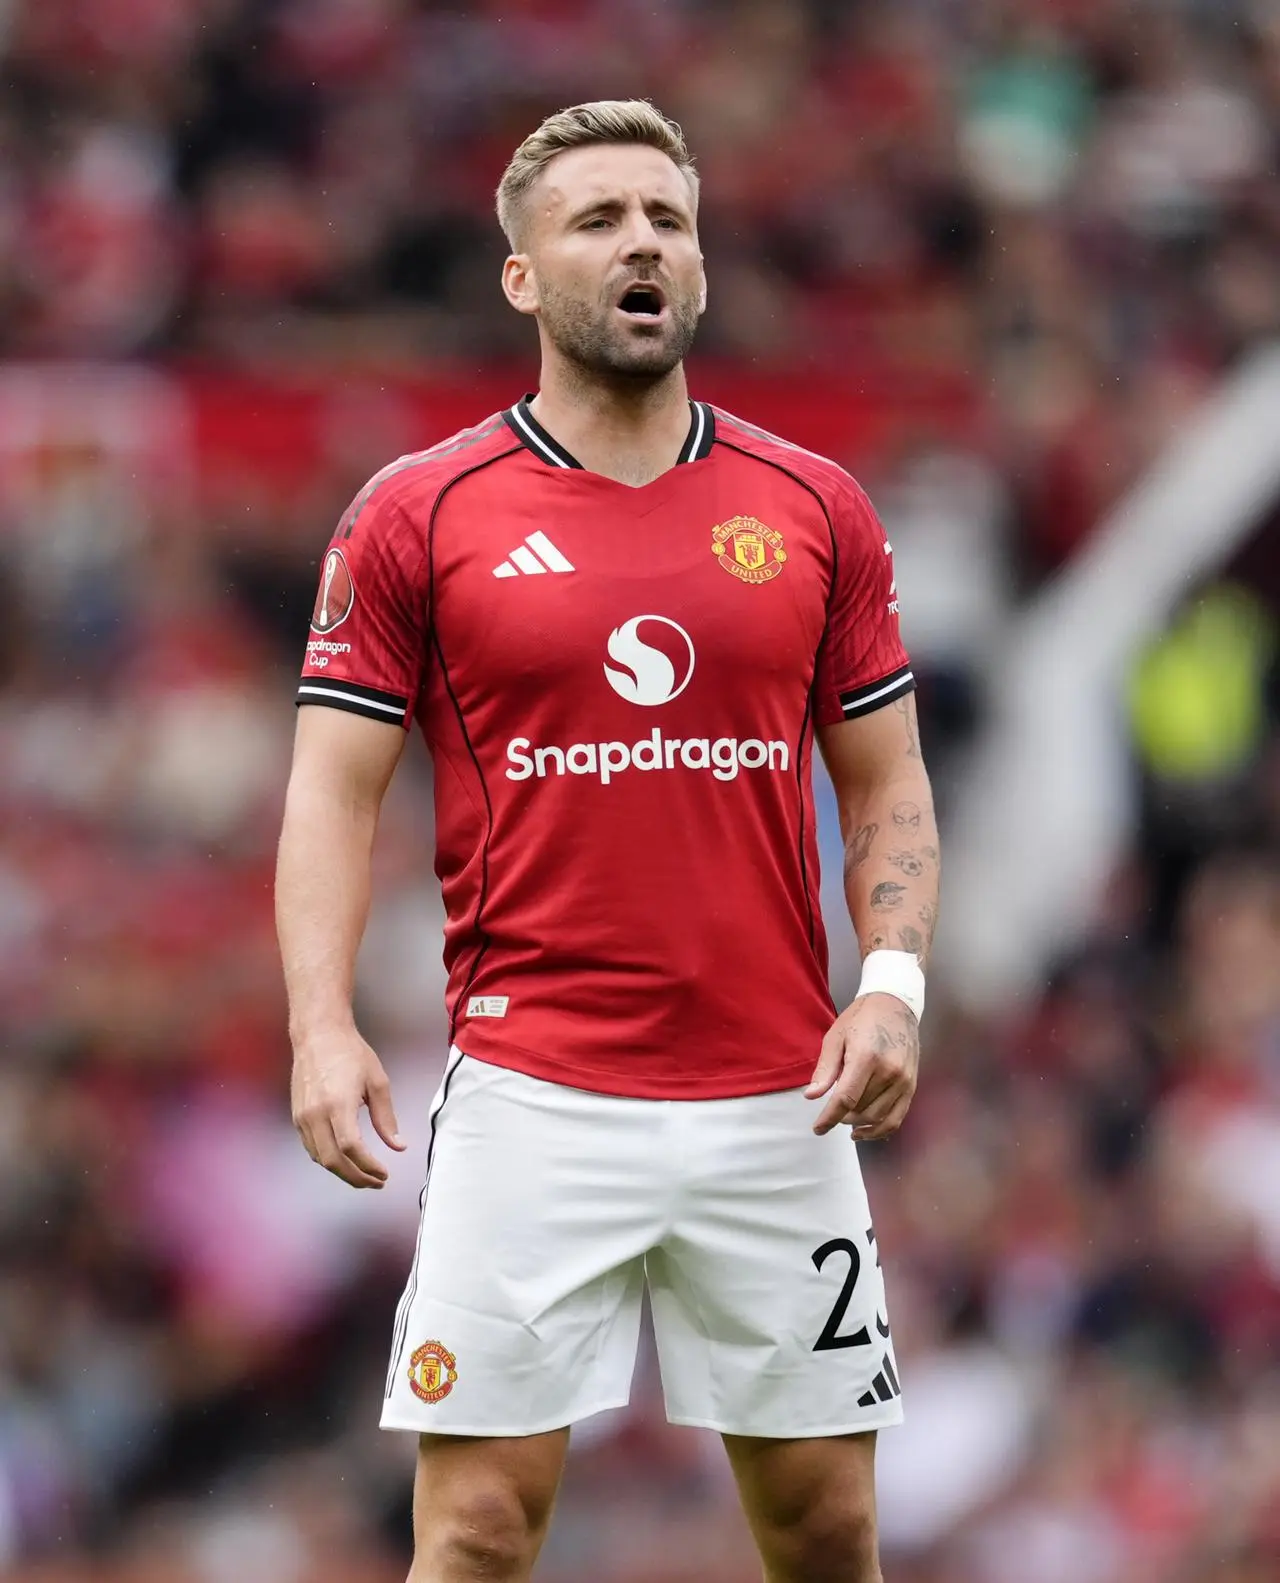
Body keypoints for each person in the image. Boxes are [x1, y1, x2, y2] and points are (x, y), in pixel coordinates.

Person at [276, 99, 939, 1583]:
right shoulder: (415, 514)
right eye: (598, 220)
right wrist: (321, 1025)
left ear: (697, 266)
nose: (643, 241)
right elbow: (332, 788)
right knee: (479, 1528)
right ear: (522, 276)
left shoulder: (814, 507)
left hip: (783, 1098)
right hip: (536, 1093)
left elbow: (889, 780)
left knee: (829, 1530)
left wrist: (891, 981)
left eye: (668, 218)